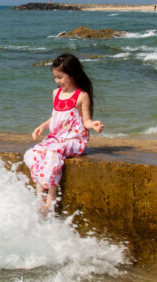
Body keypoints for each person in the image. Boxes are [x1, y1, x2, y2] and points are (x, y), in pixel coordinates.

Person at [24, 53, 103, 213]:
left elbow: (86, 120)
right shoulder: (56, 93)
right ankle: (40, 198)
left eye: (60, 77)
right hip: (56, 138)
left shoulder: (81, 96)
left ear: (72, 74)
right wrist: (43, 126)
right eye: (55, 77)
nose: (57, 81)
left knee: (52, 156)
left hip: (73, 140)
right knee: (36, 153)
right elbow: (55, 116)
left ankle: (50, 204)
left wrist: (93, 124)